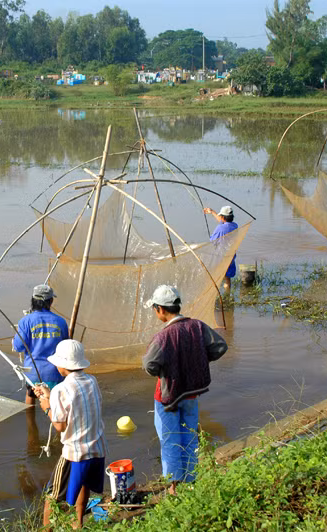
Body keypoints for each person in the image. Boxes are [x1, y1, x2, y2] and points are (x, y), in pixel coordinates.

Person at [142, 285, 228, 495]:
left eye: (155, 309)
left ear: (160, 309)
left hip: (168, 397)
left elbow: (149, 365)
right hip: (190, 393)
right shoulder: (197, 326)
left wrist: (165, 371)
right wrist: (199, 360)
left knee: (170, 439)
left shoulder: (163, 336)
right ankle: (191, 480)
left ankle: (174, 486)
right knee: (189, 435)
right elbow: (220, 346)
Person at [35, 339, 107, 529]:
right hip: (97, 448)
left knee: (52, 495)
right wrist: (49, 395)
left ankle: (47, 529)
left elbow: (59, 425)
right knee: (84, 484)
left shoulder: (60, 389)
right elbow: (76, 403)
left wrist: (46, 407)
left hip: (74, 453)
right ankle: (78, 524)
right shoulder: (92, 380)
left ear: (61, 366)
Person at [13, 284, 68, 405]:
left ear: (33, 300)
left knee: (30, 395)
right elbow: (66, 348)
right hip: (56, 373)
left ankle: (29, 417)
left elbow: (18, 347)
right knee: (56, 404)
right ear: (50, 301)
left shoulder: (25, 321)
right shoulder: (61, 321)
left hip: (33, 373)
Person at [204, 205, 238, 291]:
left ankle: (216, 294)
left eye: (221, 216)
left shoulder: (220, 228)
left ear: (223, 217)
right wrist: (212, 212)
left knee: (216, 277)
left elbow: (213, 240)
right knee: (227, 278)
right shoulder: (235, 226)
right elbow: (222, 222)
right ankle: (227, 294)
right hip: (231, 256)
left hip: (220, 256)